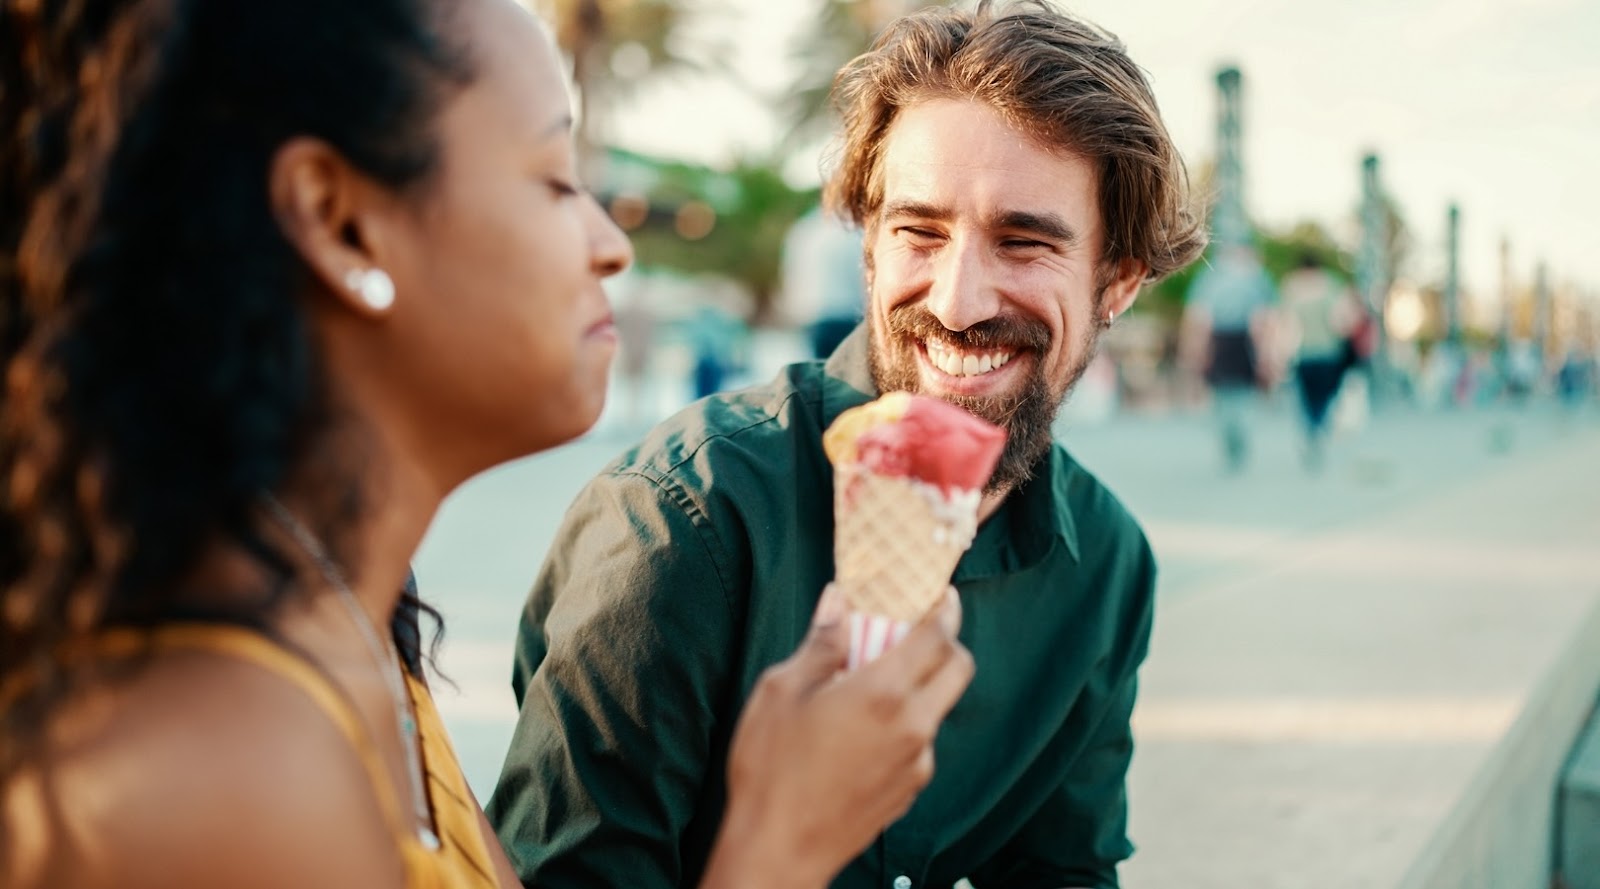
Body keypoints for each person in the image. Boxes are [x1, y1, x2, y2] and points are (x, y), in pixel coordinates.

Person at [0, 1, 973, 888]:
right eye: (556, 179)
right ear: (343, 223)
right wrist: (783, 837)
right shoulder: (221, 769)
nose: (611, 244)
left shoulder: (356, 625)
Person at [487, 2, 1207, 887]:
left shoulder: (1105, 563)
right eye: (919, 231)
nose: (956, 300)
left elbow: (1063, 870)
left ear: (1119, 282)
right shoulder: (682, 522)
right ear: (868, 244)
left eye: (1024, 243)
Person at [1181, 242, 1277, 473]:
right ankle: (1238, 438)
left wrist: (1197, 351)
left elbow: (1200, 317)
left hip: (1219, 341)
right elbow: (1262, 320)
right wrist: (1266, 356)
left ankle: (1230, 438)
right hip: (1244, 342)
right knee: (1243, 396)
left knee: (1222, 396)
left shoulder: (1209, 277)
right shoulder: (1256, 278)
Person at [1279, 252, 1359, 470]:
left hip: (1303, 354)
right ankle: (1318, 429)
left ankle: (1311, 430)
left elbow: (1286, 324)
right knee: (1325, 397)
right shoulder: (1332, 286)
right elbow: (1341, 322)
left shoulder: (1293, 288)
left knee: (1306, 398)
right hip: (1329, 353)